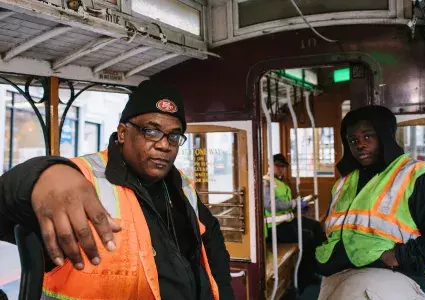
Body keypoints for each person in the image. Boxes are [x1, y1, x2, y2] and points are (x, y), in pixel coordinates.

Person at [0, 80, 234, 300]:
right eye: (151, 131)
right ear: (123, 133)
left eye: (174, 136)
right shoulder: (80, 179)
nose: (164, 144)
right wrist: (39, 174)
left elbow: (211, 241)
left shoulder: (180, 184)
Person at [316, 105, 425, 300]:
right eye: (353, 140)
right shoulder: (343, 184)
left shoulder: (421, 177)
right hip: (338, 276)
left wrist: (399, 256)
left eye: (368, 136)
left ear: (385, 136)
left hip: (402, 275)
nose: (360, 145)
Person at [263, 154, 325, 296]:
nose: (281, 169)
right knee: (307, 237)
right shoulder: (266, 183)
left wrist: (301, 205)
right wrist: (294, 203)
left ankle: (319, 266)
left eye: (283, 167)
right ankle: (304, 277)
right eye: (278, 166)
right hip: (274, 229)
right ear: (270, 165)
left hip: (287, 222)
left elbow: (286, 206)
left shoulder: (281, 183)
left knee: (315, 226)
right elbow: (270, 204)